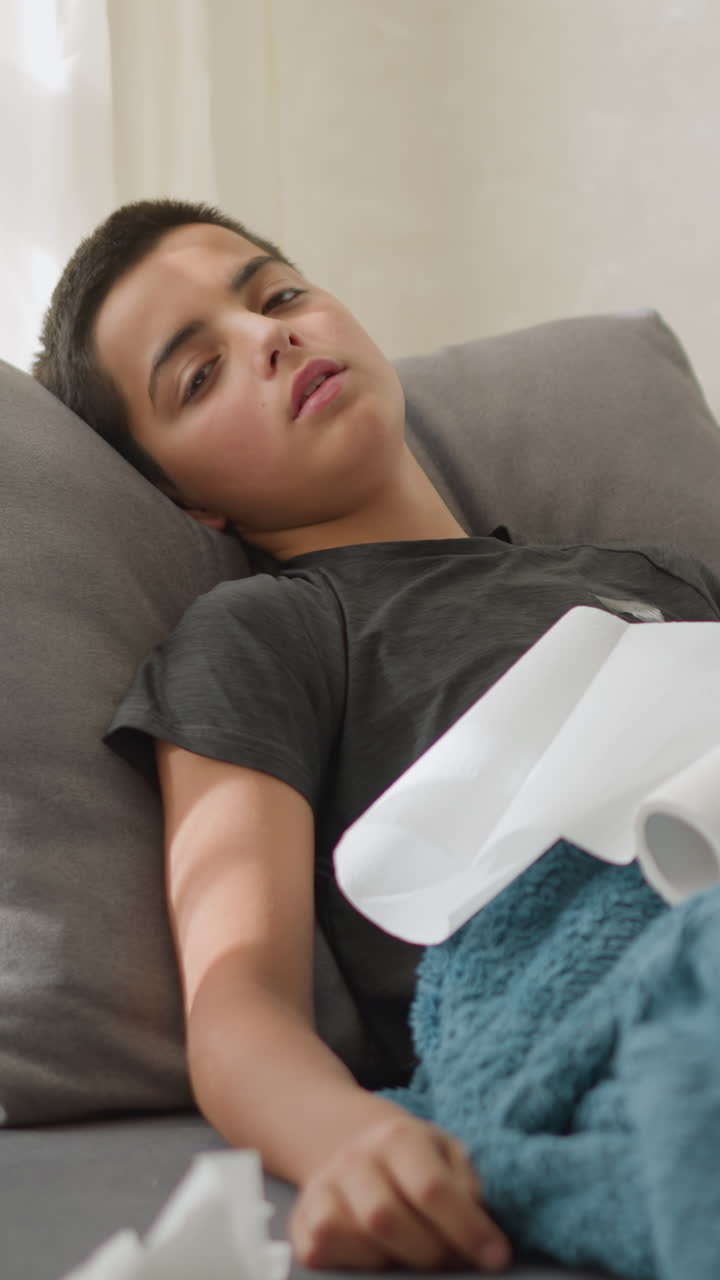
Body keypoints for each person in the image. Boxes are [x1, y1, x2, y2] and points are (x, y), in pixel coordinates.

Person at [32, 199, 720, 1273]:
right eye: (199, 374)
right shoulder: (267, 632)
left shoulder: (656, 576)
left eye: (278, 294)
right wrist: (352, 1139)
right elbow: (237, 1001)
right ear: (186, 499)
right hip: (592, 967)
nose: (270, 337)